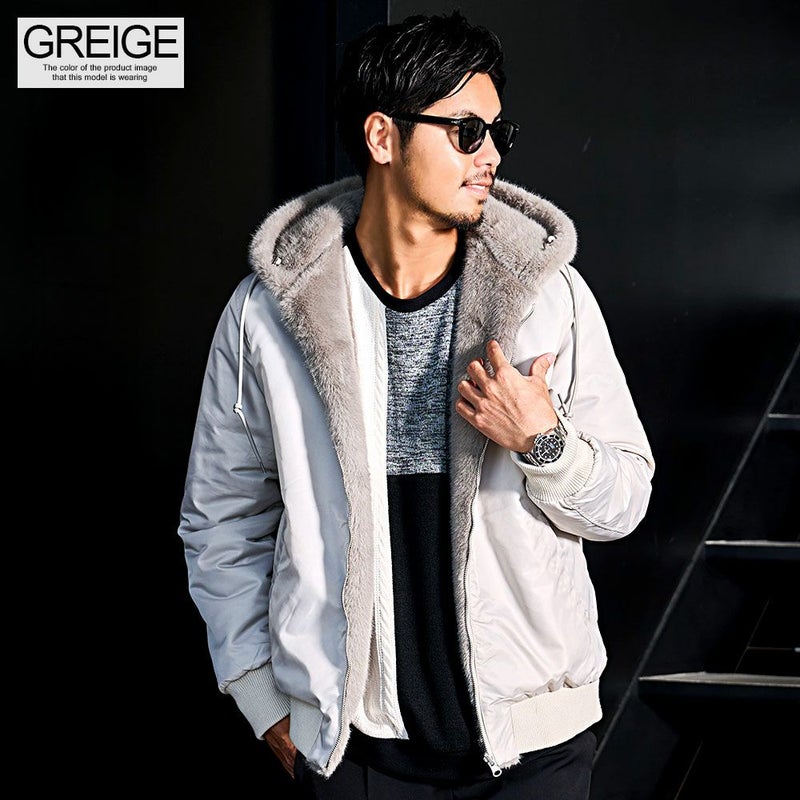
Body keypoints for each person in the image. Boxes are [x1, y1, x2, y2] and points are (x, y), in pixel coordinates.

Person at [177, 10, 655, 800]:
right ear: (382, 137)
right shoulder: (271, 315)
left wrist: (545, 443)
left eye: (498, 132)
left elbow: (625, 501)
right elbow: (221, 517)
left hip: (533, 754)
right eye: (467, 132)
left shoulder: (549, 299)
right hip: (356, 756)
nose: (490, 155)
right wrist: (261, 697)